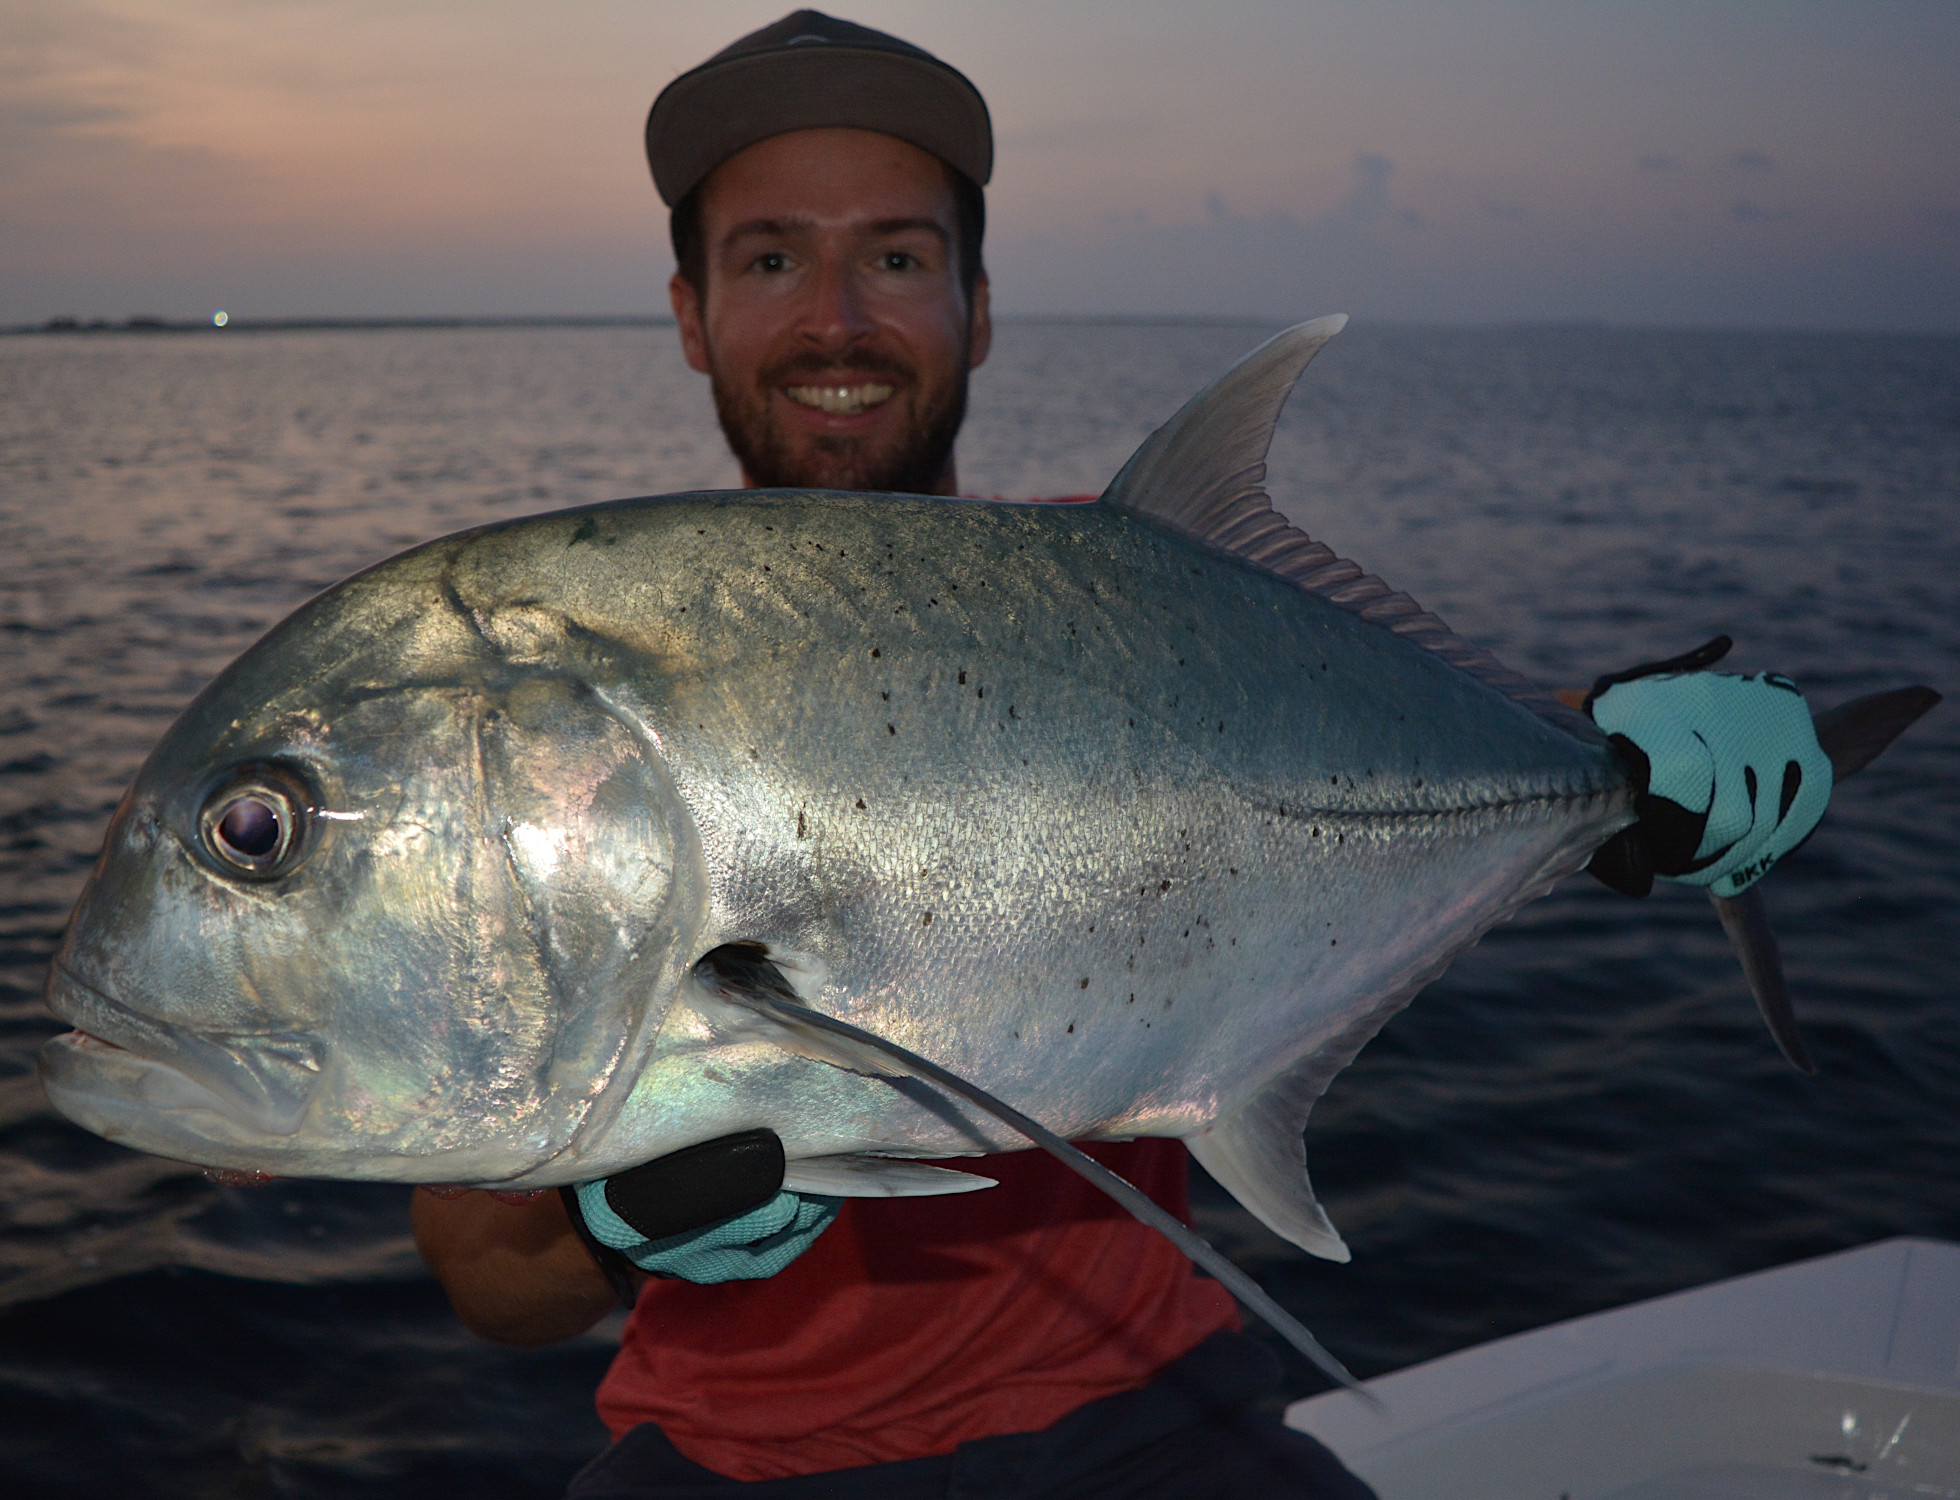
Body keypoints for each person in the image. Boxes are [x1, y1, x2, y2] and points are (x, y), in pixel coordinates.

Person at [414, 12, 1834, 1497]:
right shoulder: (575, 731)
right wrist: (600, 1222)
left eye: (896, 256)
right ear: (693, 313)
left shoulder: (1155, 608)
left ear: (977, 299)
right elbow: (487, 1286)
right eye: (771, 258)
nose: (835, 317)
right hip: (732, 1463)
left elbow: (1331, 739)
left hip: (1166, 1421)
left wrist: (1630, 775)